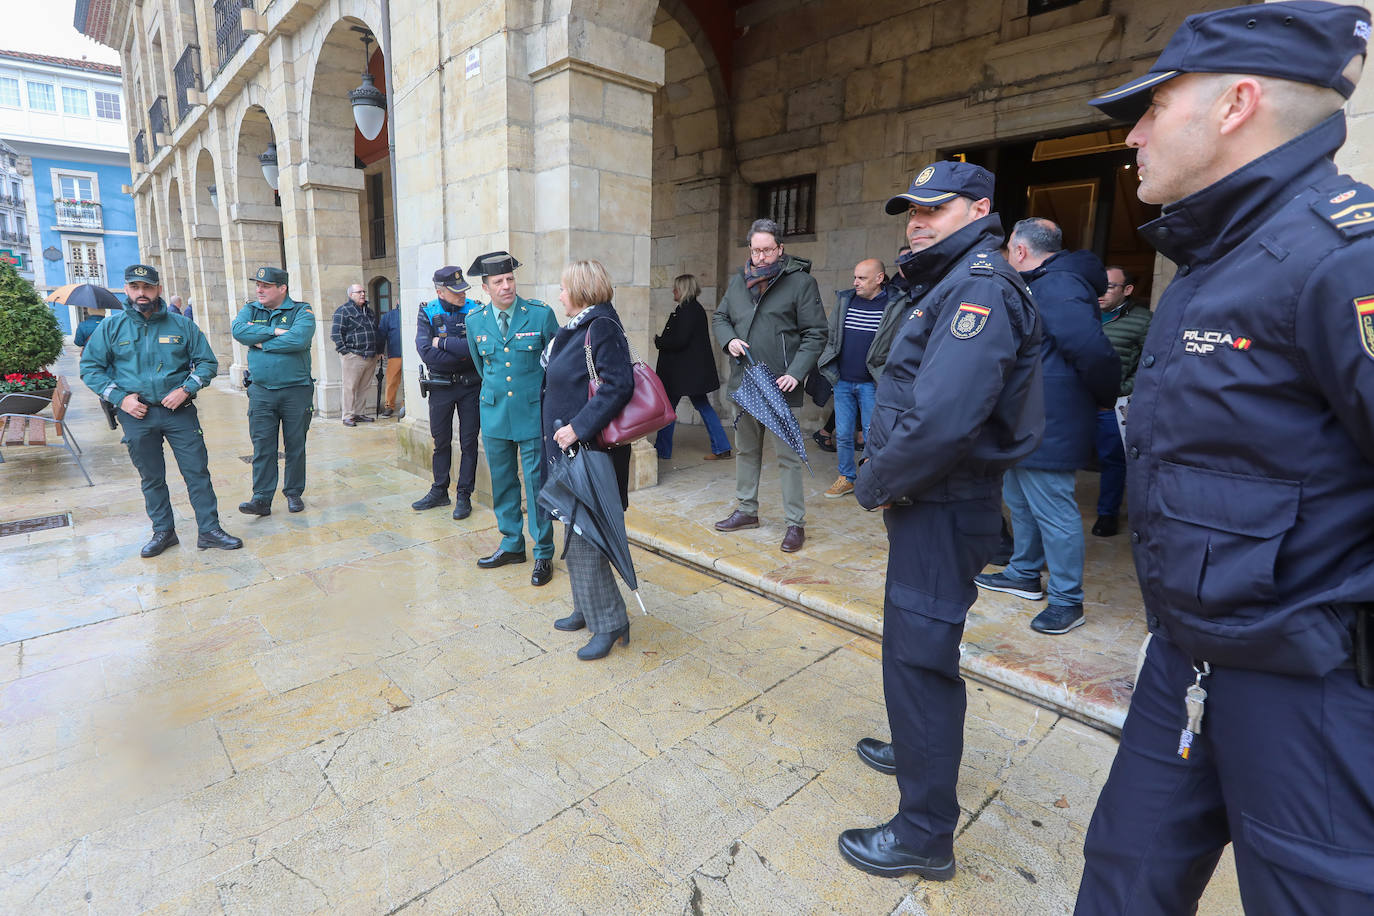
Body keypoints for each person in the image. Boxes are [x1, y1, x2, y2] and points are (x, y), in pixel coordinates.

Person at [1073, 4, 1374, 912]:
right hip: (1191, 658)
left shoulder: (1339, 257)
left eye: (1156, 107)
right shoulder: (1220, 253)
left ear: (1238, 102)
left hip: (1307, 684)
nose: (1133, 134)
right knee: (1124, 879)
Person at [838, 160, 1043, 881]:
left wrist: (873, 481)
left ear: (980, 208)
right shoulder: (946, 279)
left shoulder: (978, 289)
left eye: (935, 209)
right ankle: (916, 746)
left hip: (942, 500)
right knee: (912, 647)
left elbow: (942, 420)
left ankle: (924, 833)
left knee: (920, 661)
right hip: (928, 497)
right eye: (911, 211)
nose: (917, 221)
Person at [976, 218, 1119, 635]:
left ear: (1019, 251)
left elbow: (1094, 352)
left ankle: (1067, 600)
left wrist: (1099, 399)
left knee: (1054, 510)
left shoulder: (1058, 285)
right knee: (1019, 499)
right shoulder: (1044, 280)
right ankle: (1023, 573)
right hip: (1024, 415)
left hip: (1050, 417)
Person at [79, 265, 242, 557]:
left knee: (197, 472)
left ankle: (209, 530)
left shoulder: (182, 326)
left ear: (158, 289)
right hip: (136, 414)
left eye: (148, 287)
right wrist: (120, 398)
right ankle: (163, 532)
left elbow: (207, 363)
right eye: (135, 287)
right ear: (126, 290)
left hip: (178, 412)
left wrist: (186, 389)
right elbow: (90, 369)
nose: (142, 293)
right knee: (151, 476)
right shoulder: (111, 328)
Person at [711, 218, 827, 553]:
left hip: (781, 385)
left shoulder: (801, 283)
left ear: (780, 249)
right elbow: (720, 318)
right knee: (746, 450)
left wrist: (797, 371)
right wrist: (728, 339)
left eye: (768, 250)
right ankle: (747, 510)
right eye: (756, 250)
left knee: (788, 457)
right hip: (744, 381)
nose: (761, 257)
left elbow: (816, 332)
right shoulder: (738, 282)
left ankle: (795, 524)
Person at [541, 260, 636, 659]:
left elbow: (619, 385)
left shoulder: (602, 328)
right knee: (574, 530)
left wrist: (579, 427)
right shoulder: (580, 326)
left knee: (587, 540)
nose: (559, 295)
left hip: (591, 452)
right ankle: (585, 606)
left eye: (564, 288)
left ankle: (611, 622)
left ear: (580, 291)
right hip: (571, 452)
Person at [465, 251, 561, 586]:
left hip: (532, 413)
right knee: (503, 483)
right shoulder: (474, 320)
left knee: (537, 485)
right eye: (498, 282)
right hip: (494, 415)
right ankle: (511, 544)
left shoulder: (540, 315)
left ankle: (543, 551)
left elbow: (559, 365)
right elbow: (482, 367)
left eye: (510, 279)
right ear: (485, 287)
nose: (506, 286)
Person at [817, 258, 907, 499]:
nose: (855, 282)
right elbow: (832, 334)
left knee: (872, 435)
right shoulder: (845, 299)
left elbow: (900, 342)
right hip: (843, 381)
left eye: (862, 278)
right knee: (844, 433)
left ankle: (872, 481)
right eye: (855, 277)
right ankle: (846, 477)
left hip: (872, 383)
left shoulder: (895, 304)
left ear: (879, 279)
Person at [231, 266, 317, 516]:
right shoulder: (251, 309)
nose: (259, 290)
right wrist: (273, 331)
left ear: (282, 288)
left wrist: (258, 343)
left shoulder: (301, 310)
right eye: (258, 285)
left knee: (295, 445)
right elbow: (238, 331)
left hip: (296, 391)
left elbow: (298, 340)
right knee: (263, 446)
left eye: (266, 286)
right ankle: (261, 498)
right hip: (261, 391)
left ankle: (293, 493)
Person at [413, 266, 482, 520]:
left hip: (470, 386)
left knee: (469, 443)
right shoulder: (428, 310)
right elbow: (425, 351)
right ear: (440, 291)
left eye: (463, 289)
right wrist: (463, 355)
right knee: (440, 441)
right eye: (456, 291)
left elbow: (478, 348)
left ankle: (464, 495)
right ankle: (440, 490)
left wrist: (442, 343)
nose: (462, 295)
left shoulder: (475, 308)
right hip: (441, 386)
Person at [1091, 266, 1150, 537]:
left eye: (1110, 286)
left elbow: (1153, 364)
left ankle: (1107, 514)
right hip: (1074, 403)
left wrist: (1124, 388)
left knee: (1113, 461)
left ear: (1127, 289)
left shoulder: (1144, 321)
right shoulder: (1082, 313)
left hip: (1111, 405)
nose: (1101, 292)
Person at [652, 273, 732, 461]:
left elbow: (680, 340)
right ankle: (722, 447)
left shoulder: (688, 310)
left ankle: (662, 450)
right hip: (689, 373)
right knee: (701, 406)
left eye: (676, 288)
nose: (673, 291)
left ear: (683, 289)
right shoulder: (690, 309)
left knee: (668, 409)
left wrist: (660, 342)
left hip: (683, 374)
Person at [330, 283, 380, 427]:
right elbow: (336, 333)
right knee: (350, 387)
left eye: (363, 291)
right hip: (353, 355)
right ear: (351, 295)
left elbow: (375, 330)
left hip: (370, 355)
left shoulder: (368, 311)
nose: (363, 294)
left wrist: (378, 351)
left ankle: (359, 413)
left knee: (364, 387)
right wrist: (345, 351)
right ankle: (347, 415)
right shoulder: (343, 311)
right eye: (359, 292)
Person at [376, 300, 404, 418]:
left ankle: (405, 405)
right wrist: (380, 351)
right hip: (395, 353)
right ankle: (389, 406)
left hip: (413, 353)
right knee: (392, 381)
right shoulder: (389, 316)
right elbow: (381, 335)